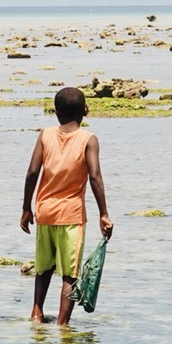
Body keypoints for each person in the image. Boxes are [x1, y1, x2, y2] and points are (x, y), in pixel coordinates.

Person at [21, 86, 114, 325]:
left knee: (42, 267)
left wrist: (26, 208)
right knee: (70, 273)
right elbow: (95, 176)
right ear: (86, 110)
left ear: (55, 112)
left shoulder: (45, 134)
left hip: (44, 212)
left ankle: (36, 313)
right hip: (71, 215)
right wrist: (103, 213)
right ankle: (63, 325)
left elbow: (32, 172)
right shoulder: (88, 139)